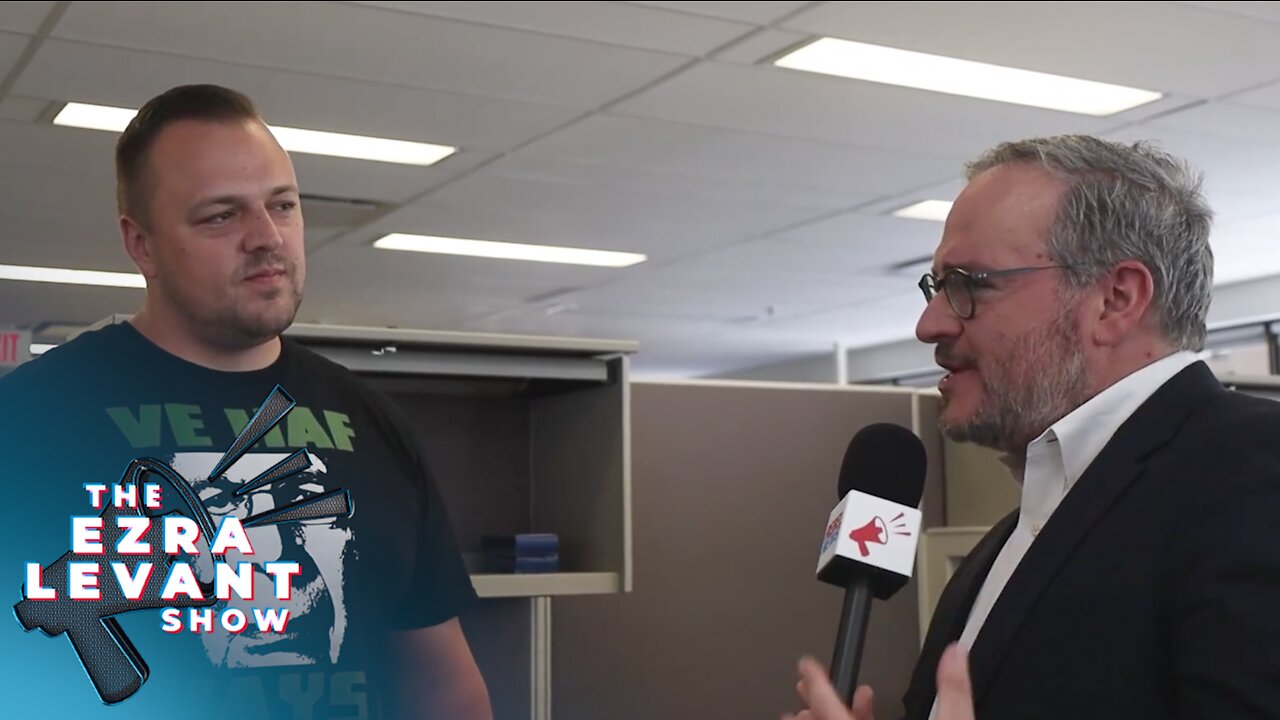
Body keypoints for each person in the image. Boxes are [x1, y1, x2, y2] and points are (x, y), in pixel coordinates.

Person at [0, 84, 493, 719]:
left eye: (283, 205)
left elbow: (442, 685)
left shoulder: (371, 423)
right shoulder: (28, 419)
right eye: (220, 215)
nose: (266, 236)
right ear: (140, 243)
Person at [784, 135, 1280, 719]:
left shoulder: (1255, 471)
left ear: (1115, 300)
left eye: (970, 284)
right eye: (937, 286)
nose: (929, 324)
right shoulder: (1011, 540)